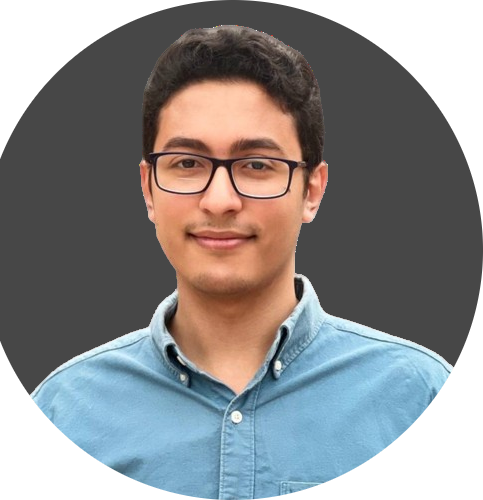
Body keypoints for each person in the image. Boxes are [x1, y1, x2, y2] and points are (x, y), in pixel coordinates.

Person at [31, 26, 452, 497]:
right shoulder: (65, 411)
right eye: (187, 163)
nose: (219, 201)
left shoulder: (415, 397)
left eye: (256, 165)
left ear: (312, 190)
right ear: (148, 188)